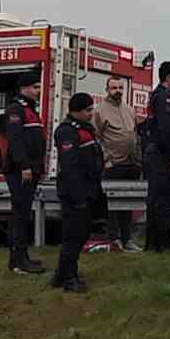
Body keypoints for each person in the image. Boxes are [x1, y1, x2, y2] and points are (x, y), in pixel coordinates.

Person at [52, 93, 103, 294]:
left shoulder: (84, 129)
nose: (91, 113)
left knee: (80, 235)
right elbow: (70, 166)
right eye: (88, 110)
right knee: (73, 236)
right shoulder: (67, 131)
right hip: (75, 191)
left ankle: (61, 274)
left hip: (88, 188)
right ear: (76, 111)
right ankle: (69, 278)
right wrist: (79, 197)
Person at [2, 71, 47, 276]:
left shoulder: (30, 110)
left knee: (24, 213)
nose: (38, 91)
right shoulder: (16, 109)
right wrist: (24, 166)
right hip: (19, 171)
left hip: (31, 169)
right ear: (24, 88)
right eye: (35, 87)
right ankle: (18, 260)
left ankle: (21, 257)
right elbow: (15, 139)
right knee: (20, 214)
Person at [140, 61, 170, 252]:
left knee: (155, 199)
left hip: (154, 153)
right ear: (168, 77)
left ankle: (153, 244)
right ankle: (163, 244)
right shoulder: (164, 98)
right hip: (161, 154)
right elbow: (166, 129)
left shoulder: (156, 96)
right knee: (164, 199)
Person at [93, 75, 142, 251]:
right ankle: (114, 240)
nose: (118, 91)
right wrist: (106, 159)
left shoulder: (129, 109)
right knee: (113, 205)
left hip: (131, 164)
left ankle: (127, 238)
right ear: (107, 89)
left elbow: (134, 135)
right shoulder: (99, 110)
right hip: (113, 164)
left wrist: (138, 159)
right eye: (114, 88)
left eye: (120, 88)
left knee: (127, 204)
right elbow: (95, 137)